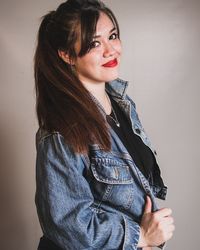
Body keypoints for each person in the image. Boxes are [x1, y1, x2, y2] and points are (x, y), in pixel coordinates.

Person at [34, 0, 175, 249]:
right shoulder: (62, 129)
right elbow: (67, 224)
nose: (111, 50)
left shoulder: (121, 103)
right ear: (67, 54)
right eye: (94, 43)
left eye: (113, 36)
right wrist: (140, 236)